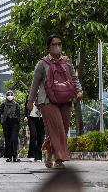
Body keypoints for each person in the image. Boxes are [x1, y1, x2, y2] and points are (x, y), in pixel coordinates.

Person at [28, 34, 82, 169]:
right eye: (54, 44)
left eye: (59, 44)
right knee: (57, 128)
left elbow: (74, 78)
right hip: (46, 100)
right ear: (48, 46)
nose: (57, 47)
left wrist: (79, 90)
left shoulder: (67, 61)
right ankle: (59, 159)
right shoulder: (42, 63)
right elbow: (35, 84)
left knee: (62, 129)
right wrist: (30, 101)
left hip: (65, 98)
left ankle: (49, 149)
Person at [0, 90, 21, 162]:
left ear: (13, 96)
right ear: (6, 96)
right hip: (6, 123)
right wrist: (2, 121)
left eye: (11, 94)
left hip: (15, 124)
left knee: (14, 139)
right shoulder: (3, 104)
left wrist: (18, 121)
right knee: (7, 140)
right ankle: (8, 156)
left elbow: (18, 115)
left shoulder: (16, 104)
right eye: (8, 94)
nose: (10, 96)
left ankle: (15, 156)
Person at [24, 96, 45, 162]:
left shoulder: (45, 95)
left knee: (40, 137)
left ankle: (39, 156)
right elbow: (26, 107)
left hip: (42, 118)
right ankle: (32, 155)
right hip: (32, 117)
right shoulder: (30, 96)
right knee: (33, 135)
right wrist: (25, 116)